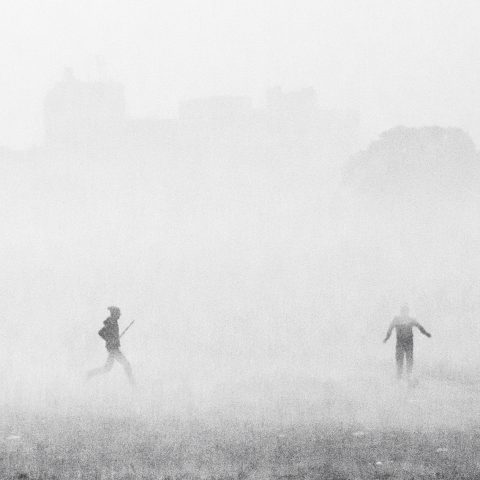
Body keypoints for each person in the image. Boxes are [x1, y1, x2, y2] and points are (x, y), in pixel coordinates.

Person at [87, 306, 135, 385]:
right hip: (113, 349)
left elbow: (106, 333)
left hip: (113, 348)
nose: (120, 315)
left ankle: (90, 373)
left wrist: (112, 339)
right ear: (114, 313)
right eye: (118, 313)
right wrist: (110, 340)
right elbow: (101, 332)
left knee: (107, 368)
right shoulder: (111, 322)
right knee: (126, 364)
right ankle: (133, 384)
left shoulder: (113, 321)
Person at [383, 304, 431, 379]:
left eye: (405, 312)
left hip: (408, 343)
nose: (404, 313)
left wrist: (426, 333)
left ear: (407, 312)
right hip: (401, 343)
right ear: (401, 312)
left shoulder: (409, 319)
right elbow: (390, 328)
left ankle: (408, 377)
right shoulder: (397, 319)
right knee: (400, 361)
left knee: (408, 360)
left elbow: (420, 327)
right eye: (403, 311)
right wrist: (387, 337)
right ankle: (400, 377)